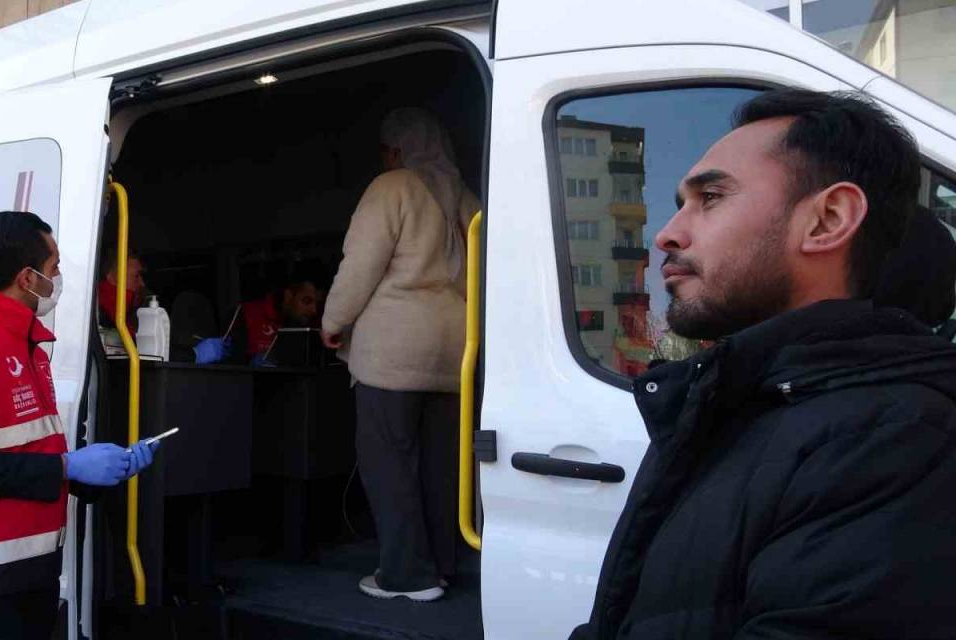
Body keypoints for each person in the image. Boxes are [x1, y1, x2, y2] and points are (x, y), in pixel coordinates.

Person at [570, 89, 956, 639]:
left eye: (711, 197)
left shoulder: (893, 441)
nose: (667, 234)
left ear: (827, 220)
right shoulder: (734, 400)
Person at [0, 211, 159, 640]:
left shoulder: (27, 345)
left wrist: (96, 472)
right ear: (26, 278)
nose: (57, 278)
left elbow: (31, 452)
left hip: (28, 573)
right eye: (53, 267)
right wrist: (68, 467)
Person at [321, 107, 481, 601]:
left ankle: (407, 575)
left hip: (393, 349)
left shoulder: (392, 187)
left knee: (389, 464)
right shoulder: (467, 198)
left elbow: (361, 264)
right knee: (441, 467)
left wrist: (333, 321)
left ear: (397, 149)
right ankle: (442, 566)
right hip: (455, 350)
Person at [192, 266, 327, 365]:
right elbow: (227, 361)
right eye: (307, 301)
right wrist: (252, 364)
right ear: (288, 296)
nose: (314, 310)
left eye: (318, 303)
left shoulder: (318, 324)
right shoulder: (246, 314)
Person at [98, 250, 146, 333]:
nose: (142, 284)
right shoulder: (102, 318)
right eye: (136, 276)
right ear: (111, 277)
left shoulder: (126, 315)